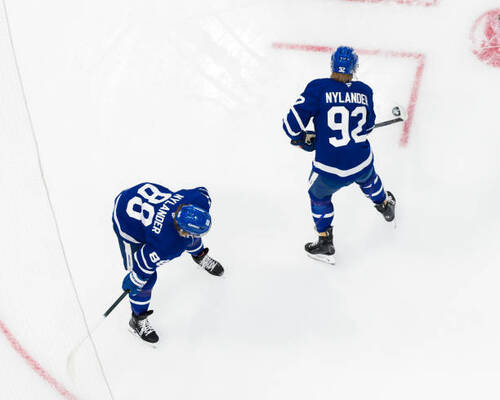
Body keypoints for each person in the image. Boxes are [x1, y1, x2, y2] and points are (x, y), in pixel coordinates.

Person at [282, 46, 396, 265]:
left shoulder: (318, 88)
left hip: (329, 169)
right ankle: (385, 206)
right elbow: (368, 127)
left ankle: (325, 241)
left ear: (332, 64)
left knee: (319, 197)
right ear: (355, 67)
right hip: (361, 161)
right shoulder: (365, 91)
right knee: (369, 179)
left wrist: (302, 138)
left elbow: (290, 126)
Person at [112, 182, 224, 344]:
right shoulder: (168, 245)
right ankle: (137, 319)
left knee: (191, 237)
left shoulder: (197, 200)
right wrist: (135, 278)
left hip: (142, 198)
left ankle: (198, 255)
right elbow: (143, 262)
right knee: (145, 280)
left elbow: (202, 192)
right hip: (127, 221)